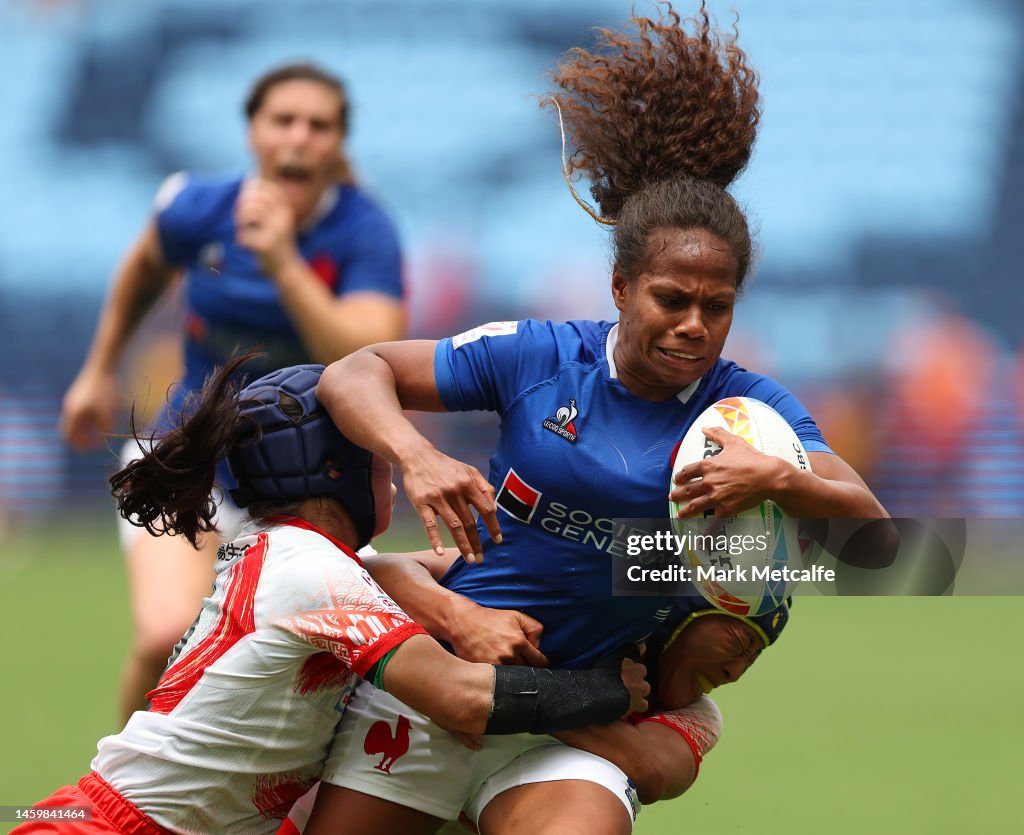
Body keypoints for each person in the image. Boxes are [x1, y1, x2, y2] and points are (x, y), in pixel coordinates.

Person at [308, 3, 893, 833]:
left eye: (717, 306)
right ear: (621, 288)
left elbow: (880, 546)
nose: (694, 323)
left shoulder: (751, 409)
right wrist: (415, 453)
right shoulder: (537, 356)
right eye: (672, 299)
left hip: (584, 725)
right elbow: (354, 371)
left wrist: (781, 477)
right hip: (442, 680)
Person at [16, 356, 649, 835]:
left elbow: (440, 566)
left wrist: (620, 567)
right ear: (335, 473)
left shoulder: (288, 547)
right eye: (378, 457)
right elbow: (461, 699)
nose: (394, 475)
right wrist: (611, 689)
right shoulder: (312, 571)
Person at [58, 62, 406, 720]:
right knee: (167, 636)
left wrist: (283, 263)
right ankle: (120, 801)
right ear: (253, 133)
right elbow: (144, 263)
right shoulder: (202, 208)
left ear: (338, 144)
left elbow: (364, 349)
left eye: (319, 125)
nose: (299, 137)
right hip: (188, 455)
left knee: (346, 661)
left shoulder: (365, 231)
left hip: (310, 480)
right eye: (283, 121)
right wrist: (98, 368)